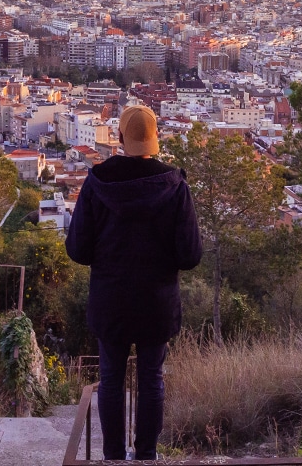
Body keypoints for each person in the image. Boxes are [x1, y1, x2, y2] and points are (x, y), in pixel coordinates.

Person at [65, 104, 201, 461]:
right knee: (152, 379)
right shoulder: (174, 186)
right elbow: (190, 256)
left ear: (120, 138)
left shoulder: (97, 183)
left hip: (111, 299)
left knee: (110, 379)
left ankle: (112, 457)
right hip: (156, 301)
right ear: (154, 139)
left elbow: (78, 249)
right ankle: (146, 456)